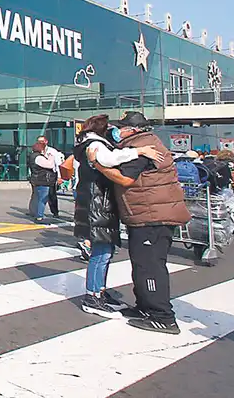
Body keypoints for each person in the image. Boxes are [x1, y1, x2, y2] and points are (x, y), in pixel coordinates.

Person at [91, 111, 190, 335]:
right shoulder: (140, 145)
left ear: (133, 130)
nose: (118, 131)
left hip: (153, 216)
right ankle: (145, 307)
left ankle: (162, 316)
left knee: (150, 266)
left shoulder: (144, 147)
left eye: (122, 127)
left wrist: (98, 164)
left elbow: (125, 178)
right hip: (147, 214)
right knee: (141, 264)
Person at [73, 114, 164, 318]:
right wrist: (139, 151)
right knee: (101, 253)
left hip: (98, 204)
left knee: (105, 252)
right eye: (112, 127)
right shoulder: (94, 144)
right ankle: (93, 297)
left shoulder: (91, 142)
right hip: (98, 205)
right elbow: (108, 159)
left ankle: (99, 292)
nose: (116, 131)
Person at [28, 142, 57, 223]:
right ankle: (39, 216)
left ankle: (36, 213)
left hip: (37, 180)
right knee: (42, 199)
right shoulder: (38, 158)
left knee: (37, 197)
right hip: (42, 180)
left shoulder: (33, 156)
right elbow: (50, 165)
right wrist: (51, 158)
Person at [38, 136, 65, 218]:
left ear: (46, 142)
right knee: (40, 194)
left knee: (51, 194)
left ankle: (55, 212)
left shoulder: (52, 151)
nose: (40, 143)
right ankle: (38, 211)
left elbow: (58, 164)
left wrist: (60, 177)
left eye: (42, 141)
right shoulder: (38, 151)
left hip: (51, 175)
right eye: (39, 142)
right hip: (41, 175)